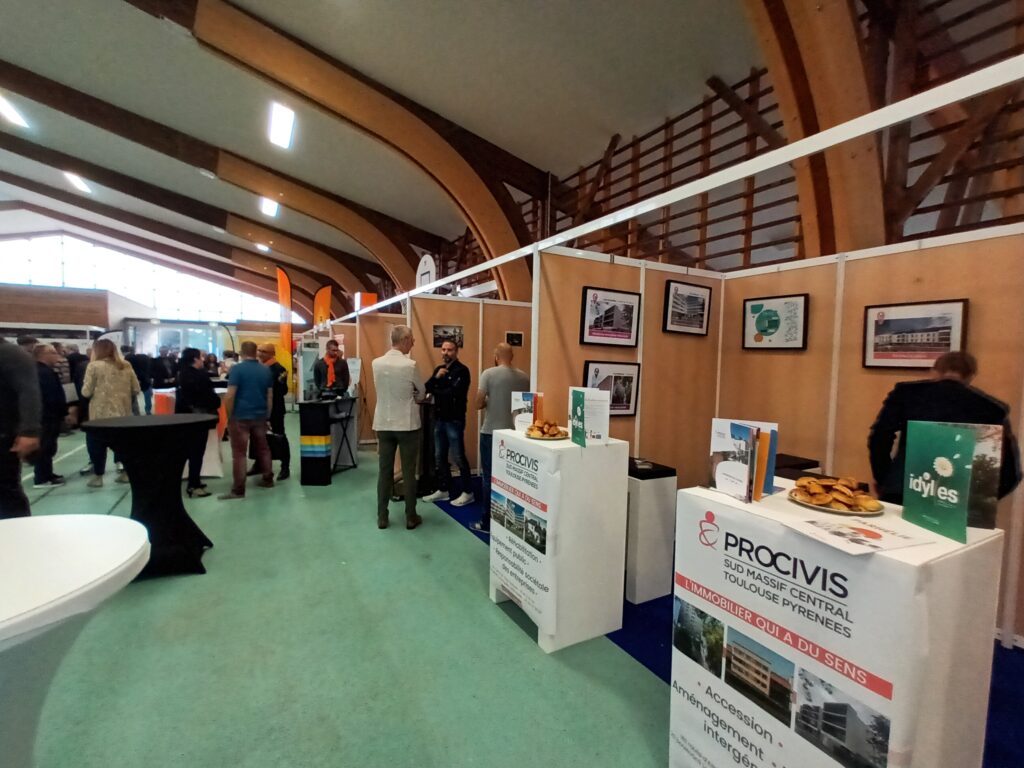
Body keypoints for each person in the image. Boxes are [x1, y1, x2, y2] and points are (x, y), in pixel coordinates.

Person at [868, 351, 1022, 521]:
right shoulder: (992, 408)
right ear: (971, 375)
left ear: (936, 370)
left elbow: (879, 438)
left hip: (904, 489)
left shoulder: (906, 393)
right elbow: (1011, 472)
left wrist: (885, 480)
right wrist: (979, 500)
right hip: (956, 497)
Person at [471, 343, 530, 532]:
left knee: (489, 478)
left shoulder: (488, 374)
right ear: (512, 356)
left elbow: (477, 403)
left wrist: (490, 400)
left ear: (496, 356)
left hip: (491, 433)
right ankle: (508, 523)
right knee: (510, 479)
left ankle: (486, 523)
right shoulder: (524, 377)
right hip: (515, 435)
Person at [372, 325, 423, 530]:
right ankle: (411, 516)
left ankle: (382, 516)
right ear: (405, 339)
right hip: (407, 425)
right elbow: (421, 392)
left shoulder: (376, 363)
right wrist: (415, 397)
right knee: (409, 471)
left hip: (383, 423)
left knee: (384, 471)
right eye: (412, 340)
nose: (413, 343)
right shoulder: (410, 365)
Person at [81, 339, 140, 488]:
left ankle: (98, 476)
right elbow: (136, 389)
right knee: (122, 445)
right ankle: (126, 473)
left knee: (96, 445)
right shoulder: (125, 365)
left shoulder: (93, 366)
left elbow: (86, 391)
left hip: (99, 415)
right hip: (123, 413)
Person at [422, 337, 474, 507]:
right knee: (439, 457)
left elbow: (453, 394)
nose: (445, 353)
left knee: (459, 457)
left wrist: (436, 389)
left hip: (454, 420)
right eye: (443, 349)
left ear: (456, 351)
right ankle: (443, 489)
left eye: (449, 350)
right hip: (439, 419)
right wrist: (436, 378)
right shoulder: (439, 369)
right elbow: (426, 388)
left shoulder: (462, 371)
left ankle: (468, 492)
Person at [220, 341, 274, 500]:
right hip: (260, 415)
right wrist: (267, 415)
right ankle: (268, 479)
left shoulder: (236, 369)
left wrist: (229, 416)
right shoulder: (265, 370)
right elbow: (270, 396)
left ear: (242, 353)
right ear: (256, 352)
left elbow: (230, 395)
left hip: (240, 416)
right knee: (264, 449)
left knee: (239, 454)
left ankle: (238, 490)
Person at [0, 340, 40, 518]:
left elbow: (29, 392)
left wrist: (29, 431)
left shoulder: (10, 354)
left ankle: (19, 536)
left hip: (3, 436)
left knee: (6, 492)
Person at [176, 347, 220, 498]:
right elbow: (208, 396)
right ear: (195, 359)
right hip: (199, 418)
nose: (203, 360)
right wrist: (217, 401)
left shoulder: (182, 373)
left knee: (190, 451)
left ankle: (194, 481)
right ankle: (193, 485)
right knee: (197, 452)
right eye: (201, 357)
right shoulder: (198, 376)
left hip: (186, 418)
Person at [252, 343, 290, 481]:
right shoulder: (259, 368)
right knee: (258, 437)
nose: (260, 353)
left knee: (279, 437)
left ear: (271, 353)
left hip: (275, 410)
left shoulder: (279, 369)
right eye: (259, 350)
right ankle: (258, 464)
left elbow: (282, 390)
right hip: (259, 409)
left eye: (263, 351)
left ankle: (285, 467)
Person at [33, 344, 68, 488]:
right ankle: (41, 478)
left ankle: (47, 473)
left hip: (51, 415)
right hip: (46, 416)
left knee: (49, 446)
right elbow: (49, 395)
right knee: (45, 446)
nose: (57, 356)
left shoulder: (46, 371)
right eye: (53, 353)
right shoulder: (41, 372)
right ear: (43, 355)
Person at [122, 345, 153, 415]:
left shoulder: (127, 358)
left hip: (135, 379)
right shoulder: (144, 357)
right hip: (145, 379)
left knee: (133, 397)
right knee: (147, 396)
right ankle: (148, 411)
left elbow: (129, 370)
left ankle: (136, 412)